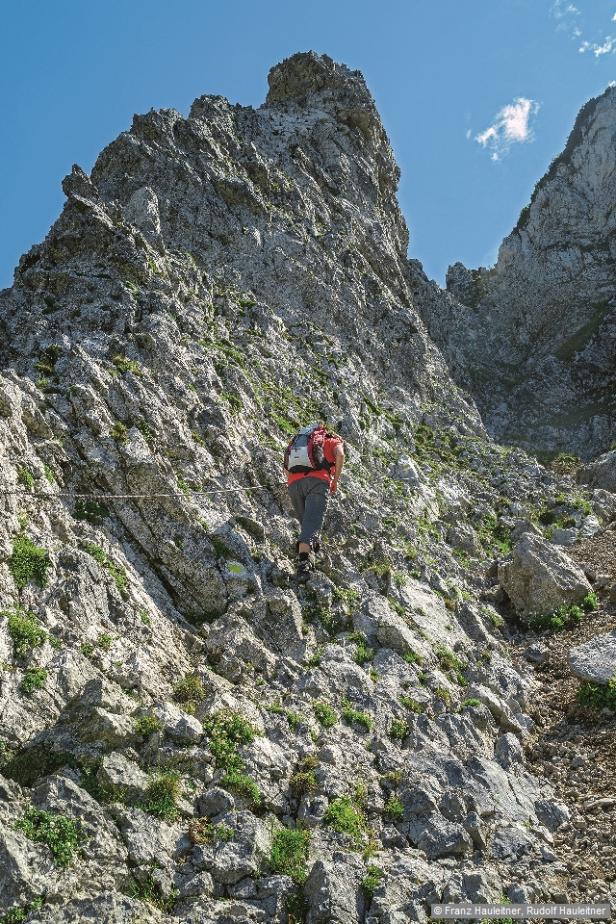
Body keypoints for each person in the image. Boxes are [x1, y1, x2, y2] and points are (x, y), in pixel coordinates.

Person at [284, 423, 345, 580]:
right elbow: (340, 455)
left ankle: (311, 550)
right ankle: (304, 564)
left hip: (294, 485)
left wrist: (291, 481)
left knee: (307, 524)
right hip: (318, 483)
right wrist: (335, 481)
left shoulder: (297, 441)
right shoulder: (332, 440)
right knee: (311, 523)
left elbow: (286, 463)